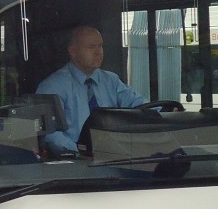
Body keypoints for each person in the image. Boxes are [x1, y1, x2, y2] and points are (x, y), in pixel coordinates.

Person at [35, 25, 145, 155]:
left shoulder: (111, 81)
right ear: (73, 51)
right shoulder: (52, 87)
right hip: (72, 164)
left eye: (100, 46)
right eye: (91, 47)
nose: (98, 52)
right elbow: (48, 135)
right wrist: (83, 152)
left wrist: (164, 113)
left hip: (115, 157)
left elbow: (138, 104)